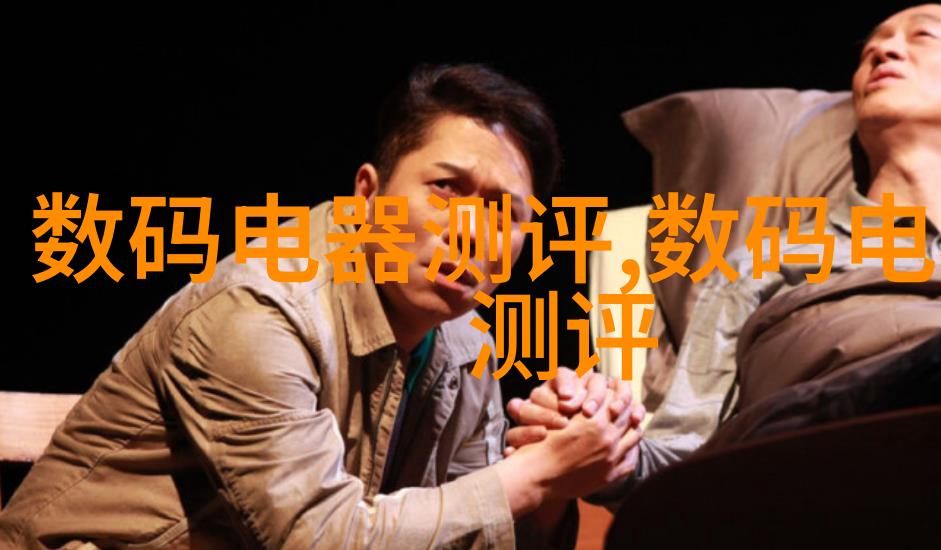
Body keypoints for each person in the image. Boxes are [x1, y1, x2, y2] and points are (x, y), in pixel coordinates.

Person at [505, 3, 941, 508]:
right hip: (817, 471)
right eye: (870, 49)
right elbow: (681, 451)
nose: (883, 51)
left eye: (922, 36)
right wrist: (600, 443)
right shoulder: (763, 264)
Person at [0, 63, 642, 549]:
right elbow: (318, 538)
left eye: (504, 211)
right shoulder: (260, 312)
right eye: (446, 189)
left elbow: (469, 533)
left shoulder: (466, 340)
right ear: (368, 195)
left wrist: (559, 462)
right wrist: (532, 475)